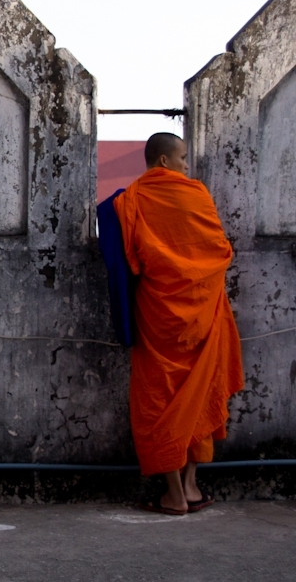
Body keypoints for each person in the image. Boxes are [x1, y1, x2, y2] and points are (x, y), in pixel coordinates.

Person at [113, 132, 244, 515]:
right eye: (183, 158)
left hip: (159, 316)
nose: (187, 166)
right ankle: (190, 486)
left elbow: (130, 260)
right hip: (201, 313)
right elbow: (221, 251)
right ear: (164, 161)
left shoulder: (131, 199)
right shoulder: (196, 195)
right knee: (199, 392)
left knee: (160, 395)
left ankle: (175, 491)